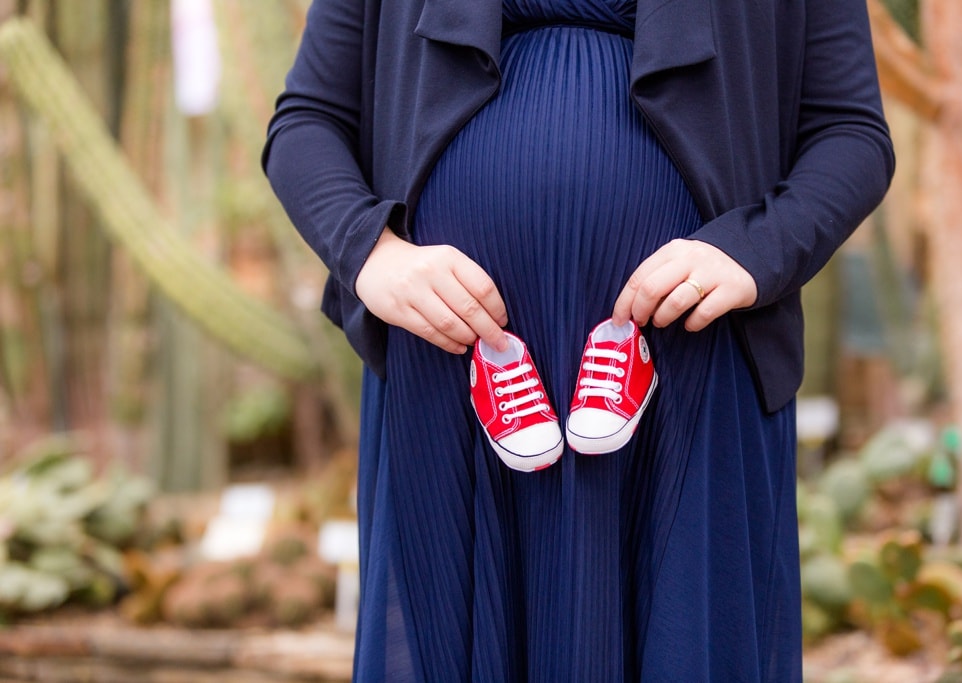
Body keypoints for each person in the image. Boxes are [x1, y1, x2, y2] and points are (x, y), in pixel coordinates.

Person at [263, 0, 894, 680]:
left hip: (693, 365)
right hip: (448, 372)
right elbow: (307, 121)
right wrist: (370, 254)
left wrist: (755, 254)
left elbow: (851, 133)